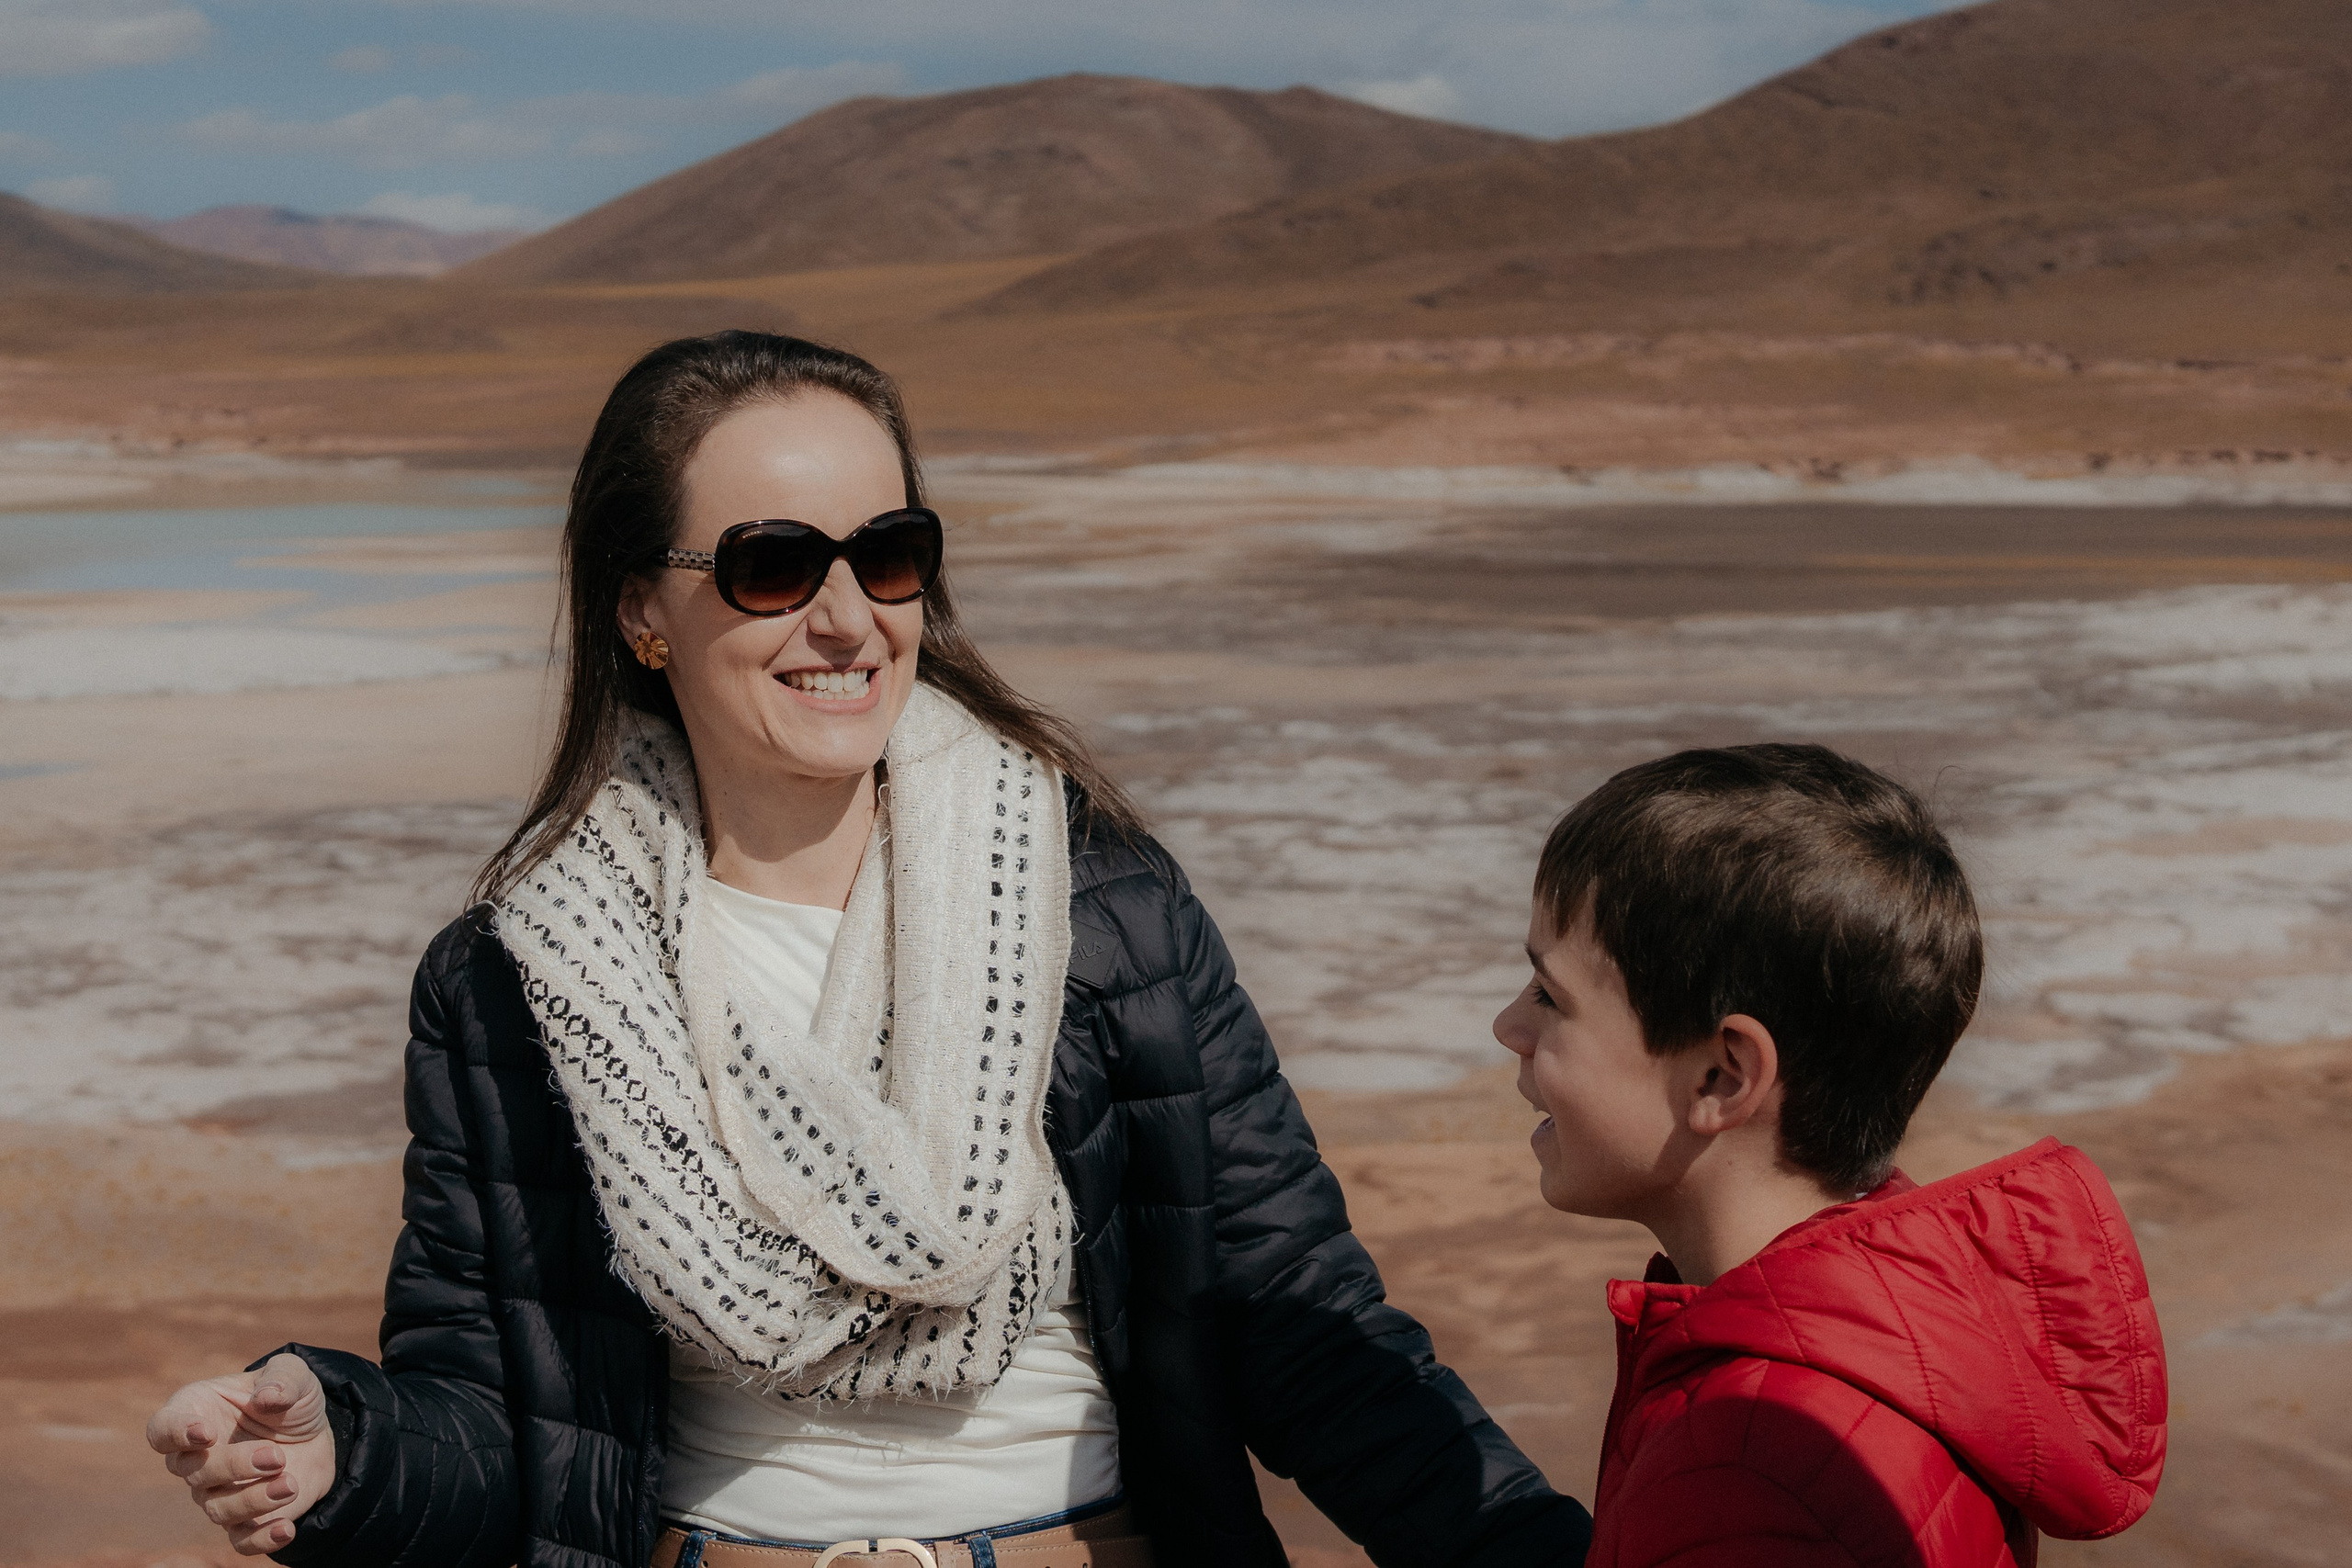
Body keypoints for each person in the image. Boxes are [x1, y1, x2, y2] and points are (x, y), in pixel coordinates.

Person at [143, 332, 1591, 1568]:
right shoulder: (519, 974)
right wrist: (345, 1442)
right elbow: (500, 1407)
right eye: (775, 566)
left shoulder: (1101, 909)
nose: (848, 619)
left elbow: (1295, 1313)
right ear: (643, 608)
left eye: (889, 555)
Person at [1493, 745, 2168, 1568]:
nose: (1509, 1028)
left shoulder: (1747, 1465)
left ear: (1721, 1075)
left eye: (1549, 997)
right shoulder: (1901, 1330)